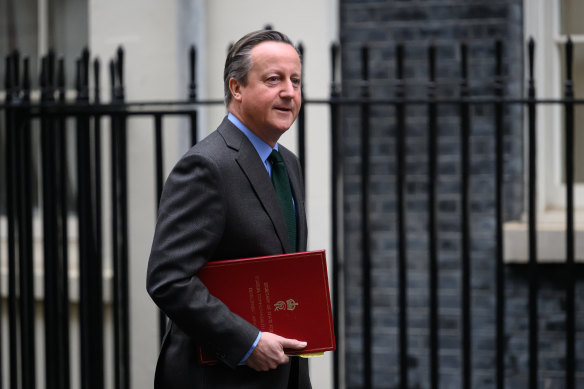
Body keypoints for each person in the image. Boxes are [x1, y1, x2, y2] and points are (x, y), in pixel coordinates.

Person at [146, 29, 311, 389]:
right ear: (236, 88)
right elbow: (168, 279)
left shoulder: (289, 163)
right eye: (274, 79)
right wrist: (247, 342)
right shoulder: (206, 166)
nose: (289, 92)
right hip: (218, 378)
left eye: (295, 80)